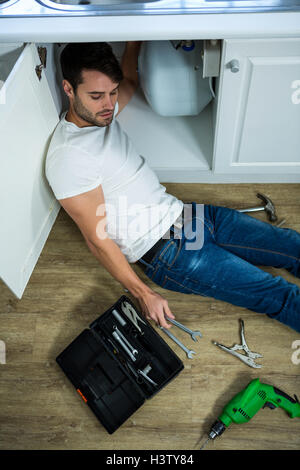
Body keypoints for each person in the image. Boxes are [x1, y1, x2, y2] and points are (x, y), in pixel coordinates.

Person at [45, 42, 300, 333]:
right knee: (277, 294)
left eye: (111, 93)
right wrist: (143, 293)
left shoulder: (100, 114)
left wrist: (134, 42)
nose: (108, 104)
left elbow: (129, 81)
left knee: (291, 245)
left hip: (192, 216)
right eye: (96, 96)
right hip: (171, 255)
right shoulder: (69, 157)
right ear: (68, 88)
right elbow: (97, 239)